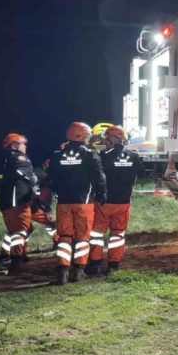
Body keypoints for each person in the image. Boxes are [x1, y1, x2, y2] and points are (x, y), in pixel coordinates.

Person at [46, 122, 107, 285]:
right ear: (82, 136)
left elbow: (51, 178)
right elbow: (99, 175)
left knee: (65, 237)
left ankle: (63, 272)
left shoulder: (57, 154)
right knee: (82, 236)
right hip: (84, 202)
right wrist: (102, 192)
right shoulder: (90, 153)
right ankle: (79, 271)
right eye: (87, 135)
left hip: (63, 202)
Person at [86, 125, 142, 276]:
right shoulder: (134, 156)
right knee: (118, 234)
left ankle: (95, 264)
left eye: (107, 137)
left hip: (103, 202)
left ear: (114, 138)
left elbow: (95, 168)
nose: (104, 140)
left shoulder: (103, 156)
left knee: (97, 234)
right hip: (123, 201)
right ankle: (113, 266)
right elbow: (139, 173)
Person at [0, 133, 39, 275]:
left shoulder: (7, 158)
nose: (25, 146)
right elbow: (25, 173)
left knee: (15, 231)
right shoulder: (19, 157)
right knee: (20, 231)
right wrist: (34, 182)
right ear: (14, 145)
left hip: (7, 202)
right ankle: (16, 263)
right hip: (18, 202)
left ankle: (4, 258)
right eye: (23, 143)